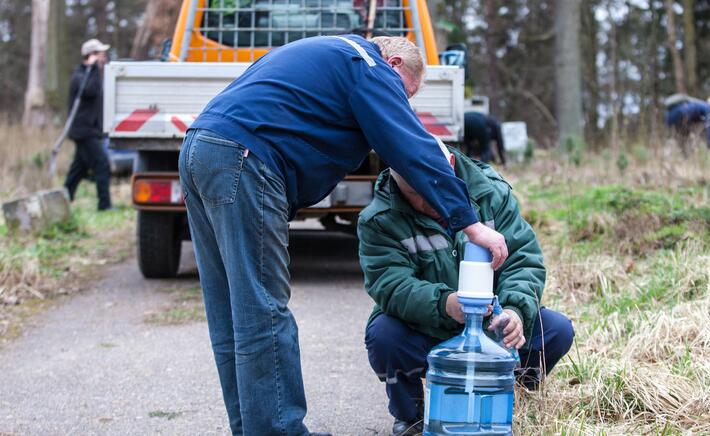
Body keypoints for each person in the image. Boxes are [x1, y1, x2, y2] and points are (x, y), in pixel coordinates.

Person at [177, 35, 508, 435]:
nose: (402, 104)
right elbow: (411, 145)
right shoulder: (367, 65)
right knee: (263, 309)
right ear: (397, 63)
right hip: (245, 159)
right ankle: (277, 431)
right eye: (406, 93)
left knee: (233, 310)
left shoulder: (322, 54)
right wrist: (469, 223)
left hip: (201, 150)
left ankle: (253, 428)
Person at [359, 138, 574, 435]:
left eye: (431, 189)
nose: (424, 202)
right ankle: (412, 415)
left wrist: (514, 312)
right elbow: (390, 284)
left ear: (448, 168)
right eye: (413, 194)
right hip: (427, 328)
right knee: (384, 337)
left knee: (556, 331)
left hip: (491, 327)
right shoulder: (379, 218)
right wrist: (444, 304)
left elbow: (524, 260)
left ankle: (511, 396)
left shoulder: (490, 192)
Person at [63, 38, 111, 211]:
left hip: (89, 131)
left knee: (78, 169)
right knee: (102, 164)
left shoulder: (90, 75)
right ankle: (104, 205)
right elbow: (90, 90)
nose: (104, 57)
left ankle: (64, 199)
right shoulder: (80, 76)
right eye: (100, 54)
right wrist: (93, 68)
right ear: (91, 56)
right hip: (83, 131)